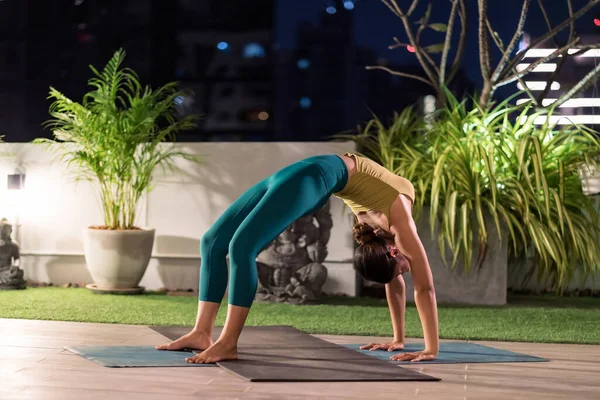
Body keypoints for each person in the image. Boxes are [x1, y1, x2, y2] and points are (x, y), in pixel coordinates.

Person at [156, 153, 439, 363]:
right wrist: (430, 349)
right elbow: (425, 288)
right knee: (213, 242)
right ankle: (204, 333)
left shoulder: (380, 235)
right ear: (392, 252)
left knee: (241, 246)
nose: (406, 270)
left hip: (310, 176)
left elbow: (393, 283)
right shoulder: (401, 224)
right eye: (403, 269)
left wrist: (398, 340)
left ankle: (225, 340)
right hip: (309, 174)